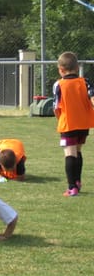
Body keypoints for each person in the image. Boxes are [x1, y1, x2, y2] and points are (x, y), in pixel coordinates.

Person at [52, 51, 94, 196]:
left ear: (61, 70)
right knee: (78, 151)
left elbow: (56, 107)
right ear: (77, 68)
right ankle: (77, 182)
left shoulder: (59, 84)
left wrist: (60, 119)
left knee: (70, 153)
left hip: (68, 123)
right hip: (84, 124)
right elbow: (92, 98)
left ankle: (71, 187)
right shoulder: (85, 82)